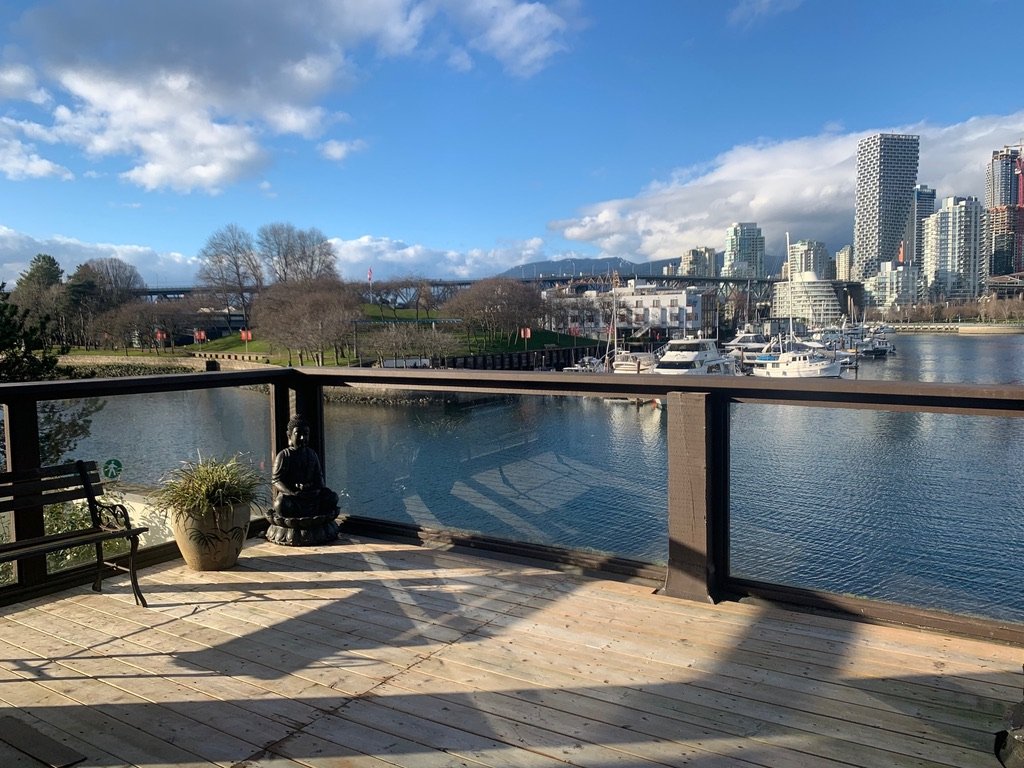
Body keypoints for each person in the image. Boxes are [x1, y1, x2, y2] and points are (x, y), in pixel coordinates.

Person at [271, 415, 339, 517]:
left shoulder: (312, 454)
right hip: (293, 497)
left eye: (306, 434)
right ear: (289, 436)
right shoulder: (284, 455)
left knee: (332, 497)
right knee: (280, 504)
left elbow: (319, 480)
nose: (303, 438)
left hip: (311, 496)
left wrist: (312, 488)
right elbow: (276, 480)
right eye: (298, 434)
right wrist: (292, 492)